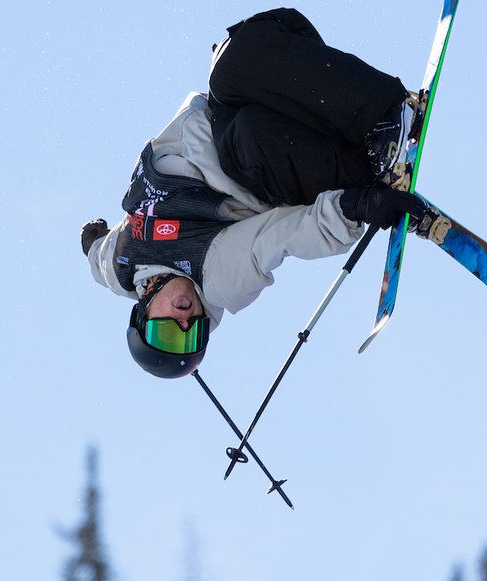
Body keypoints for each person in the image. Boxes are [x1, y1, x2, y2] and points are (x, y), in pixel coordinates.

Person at [81, 8, 429, 379]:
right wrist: (357, 207)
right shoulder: (217, 277)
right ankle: (379, 135)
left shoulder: (118, 264)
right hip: (291, 160)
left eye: (167, 332)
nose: (185, 323)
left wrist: (91, 239)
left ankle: (387, 112)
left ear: (143, 313)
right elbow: (278, 238)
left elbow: (96, 257)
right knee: (244, 135)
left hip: (284, 94)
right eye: (192, 335)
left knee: (232, 59)